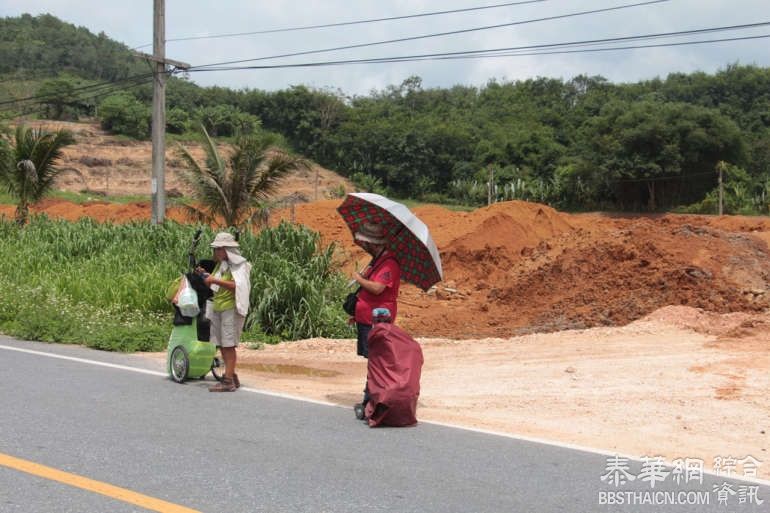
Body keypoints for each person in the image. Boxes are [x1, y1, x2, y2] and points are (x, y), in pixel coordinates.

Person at [349, 222, 401, 419]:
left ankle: (372, 400)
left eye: (366, 243)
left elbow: (378, 288)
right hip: (366, 318)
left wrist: (359, 279)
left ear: (373, 243)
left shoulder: (389, 264)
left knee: (376, 359)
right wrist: (356, 313)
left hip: (377, 319)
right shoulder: (376, 262)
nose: (363, 246)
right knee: (372, 359)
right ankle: (370, 398)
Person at [197, 232, 251, 392]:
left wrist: (214, 280)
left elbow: (238, 286)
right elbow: (214, 284)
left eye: (218, 249)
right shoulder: (222, 266)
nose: (216, 253)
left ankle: (228, 381)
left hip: (230, 308)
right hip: (219, 307)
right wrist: (205, 276)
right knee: (222, 344)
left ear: (226, 249)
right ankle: (231, 375)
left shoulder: (240, 266)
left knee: (228, 345)